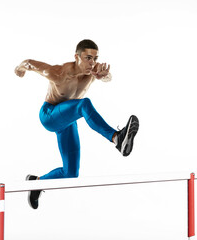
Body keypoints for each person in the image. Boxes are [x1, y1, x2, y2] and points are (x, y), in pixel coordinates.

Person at [14, 39, 139, 209]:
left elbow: (108, 78)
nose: (92, 63)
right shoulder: (59, 73)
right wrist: (19, 69)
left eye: (95, 58)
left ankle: (35, 183)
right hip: (50, 115)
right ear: (76, 57)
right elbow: (29, 63)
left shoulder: (92, 73)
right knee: (83, 104)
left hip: (68, 120)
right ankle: (116, 138)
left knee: (71, 173)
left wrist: (104, 76)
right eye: (88, 58)